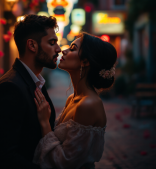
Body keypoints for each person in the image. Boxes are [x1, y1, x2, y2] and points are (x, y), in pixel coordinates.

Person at [33, 32, 117, 169]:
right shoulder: (73, 99)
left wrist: (44, 122)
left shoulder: (88, 104)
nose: (63, 51)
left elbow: (65, 162)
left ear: (85, 61)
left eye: (72, 48)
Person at [0, 14, 61, 169]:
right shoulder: (10, 88)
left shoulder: (36, 81)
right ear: (32, 45)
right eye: (52, 42)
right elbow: (1, 157)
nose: (58, 49)